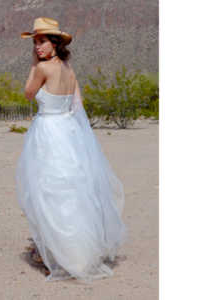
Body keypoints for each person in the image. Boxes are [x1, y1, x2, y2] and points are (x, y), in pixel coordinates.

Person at [15, 17, 127, 284]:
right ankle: (80, 252)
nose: (38, 47)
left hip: (48, 134)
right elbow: (76, 107)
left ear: (55, 43)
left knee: (49, 193)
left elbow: (28, 94)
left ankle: (59, 255)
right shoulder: (69, 69)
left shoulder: (42, 68)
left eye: (42, 41)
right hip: (69, 134)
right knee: (74, 192)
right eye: (35, 43)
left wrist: (34, 66)